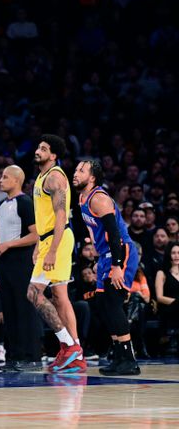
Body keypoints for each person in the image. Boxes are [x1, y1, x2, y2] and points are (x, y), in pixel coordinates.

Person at [74, 159, 141, 374]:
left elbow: (114, 234)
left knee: (112, 303)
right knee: (102, 304)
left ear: (92, 177)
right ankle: (119, 357)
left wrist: (117, 265)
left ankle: (129, 360)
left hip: (121, 251)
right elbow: (96, 234)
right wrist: (99, 261)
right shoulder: (82, 197)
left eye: (81, 170)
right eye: (76, 169)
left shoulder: (99, 198)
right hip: (105, 255)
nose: (75, 173)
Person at [27, 135, 84, 372]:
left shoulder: (54, 177)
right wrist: (40, 243)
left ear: (54, 155)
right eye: (38, 146)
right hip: (49, 238)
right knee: (60, 296)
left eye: (43, 148)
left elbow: (61, 215)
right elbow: (46, 218)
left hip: (57, 239)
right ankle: (76, 354)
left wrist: (51, 250)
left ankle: (68, 344)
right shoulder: (42, 176)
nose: (38, 150)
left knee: (33, 294)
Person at [0, 165, 42, 371]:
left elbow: (35, 235)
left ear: (16, 180)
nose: (0, 180)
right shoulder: (3, 205)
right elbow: (8, 233)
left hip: (21, 261)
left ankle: (31, 356)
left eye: (5, 177)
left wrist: (8, 244)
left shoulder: (25, 202)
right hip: (6, 262)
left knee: (23, 308)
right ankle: (14, 355)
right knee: (9, 309)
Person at [155, 243, 179, 355]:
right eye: (173, 253)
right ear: (169, 255)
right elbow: (159, 297)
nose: (176, 256)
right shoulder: (162, 273)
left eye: (178, 253)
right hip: (167, 308)